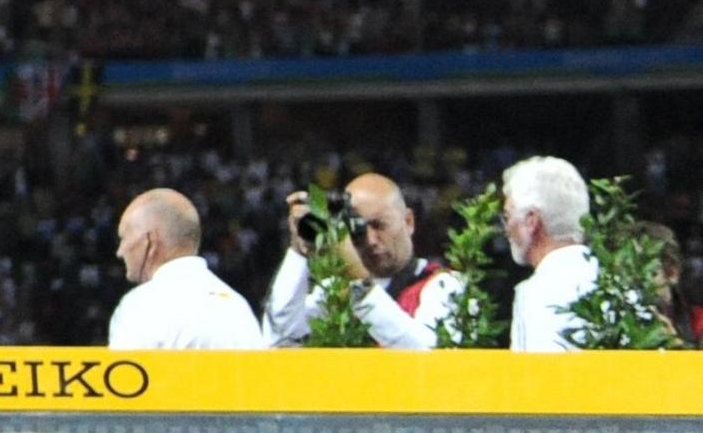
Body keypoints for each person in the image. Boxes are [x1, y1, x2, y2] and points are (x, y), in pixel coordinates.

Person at [264, 174, 467, 348]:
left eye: (380, 225)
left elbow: (428, 357)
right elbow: (281, 339)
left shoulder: (445, 285)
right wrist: (299, 251)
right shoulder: (335, 294)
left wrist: (360, 283)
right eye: (358, 229)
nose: (370, 240)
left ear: (408, 222)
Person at [105, 189, 266, 349]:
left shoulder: (139, 307)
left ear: (150, 241)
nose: (120, 252)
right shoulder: (238, 307)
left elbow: (124, 373)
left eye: (124, 238)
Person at [504, 155, 600, 352]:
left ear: (531, 221)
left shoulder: (536, 294)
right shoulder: (619, 285)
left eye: (507, 216)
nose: (506, 229)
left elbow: (536, 379)